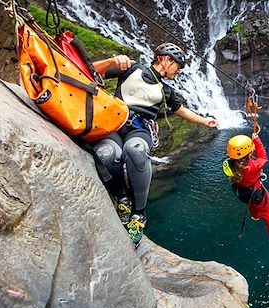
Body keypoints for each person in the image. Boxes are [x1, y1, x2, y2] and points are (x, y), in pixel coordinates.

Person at [92, 42, 218, 246]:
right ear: (166, 61)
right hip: (113, 125)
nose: (179, 71)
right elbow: (89, 71)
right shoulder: (130, 68)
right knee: (106, 153)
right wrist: (110, 61)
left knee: (135, 150)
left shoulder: (166, 91)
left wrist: (205, 121)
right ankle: (123, 199)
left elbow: (182, 111)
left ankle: (138, 214)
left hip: (140, 130)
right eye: (178, 65)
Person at [224, 133, 269, 243]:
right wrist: (257, 141)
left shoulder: (229, 164)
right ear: (249, 154)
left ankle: (255, 215)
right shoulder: (252, 166)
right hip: (256, 190)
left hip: (243, 192)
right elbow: (264, 158)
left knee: (253, 203)